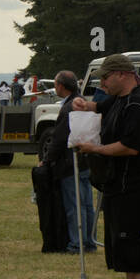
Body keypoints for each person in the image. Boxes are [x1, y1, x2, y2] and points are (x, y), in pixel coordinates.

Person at [73, 55, 140, 279]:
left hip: (138, 190)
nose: (102, 83)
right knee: (126, 252)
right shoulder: (117, 101)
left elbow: (130, 146)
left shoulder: (139, 105)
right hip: (118, 188)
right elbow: (98, 105)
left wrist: (95, 150)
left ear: (122, 74)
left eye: (105, 78)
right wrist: (83, 104)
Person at [44, 70, 96, 255]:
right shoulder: (82, 102)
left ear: (61, 86)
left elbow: (59, 138)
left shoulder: (68, 108)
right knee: (87, 204)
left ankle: (76, 243)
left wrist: (47, 159)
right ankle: (90, 241)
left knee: (75, 206)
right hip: (85, 160)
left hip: (70, 162)